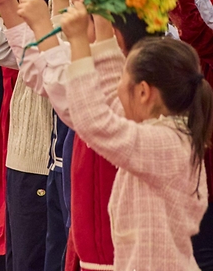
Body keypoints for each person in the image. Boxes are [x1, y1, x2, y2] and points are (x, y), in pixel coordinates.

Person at [63, 17, 211, 270]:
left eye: (123, 77)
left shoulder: (165, 143)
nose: (116, 87)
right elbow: (110, 101)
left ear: (143, 92)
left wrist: (78, 42)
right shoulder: (161, 130)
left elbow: (94, 122)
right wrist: (102, 26)